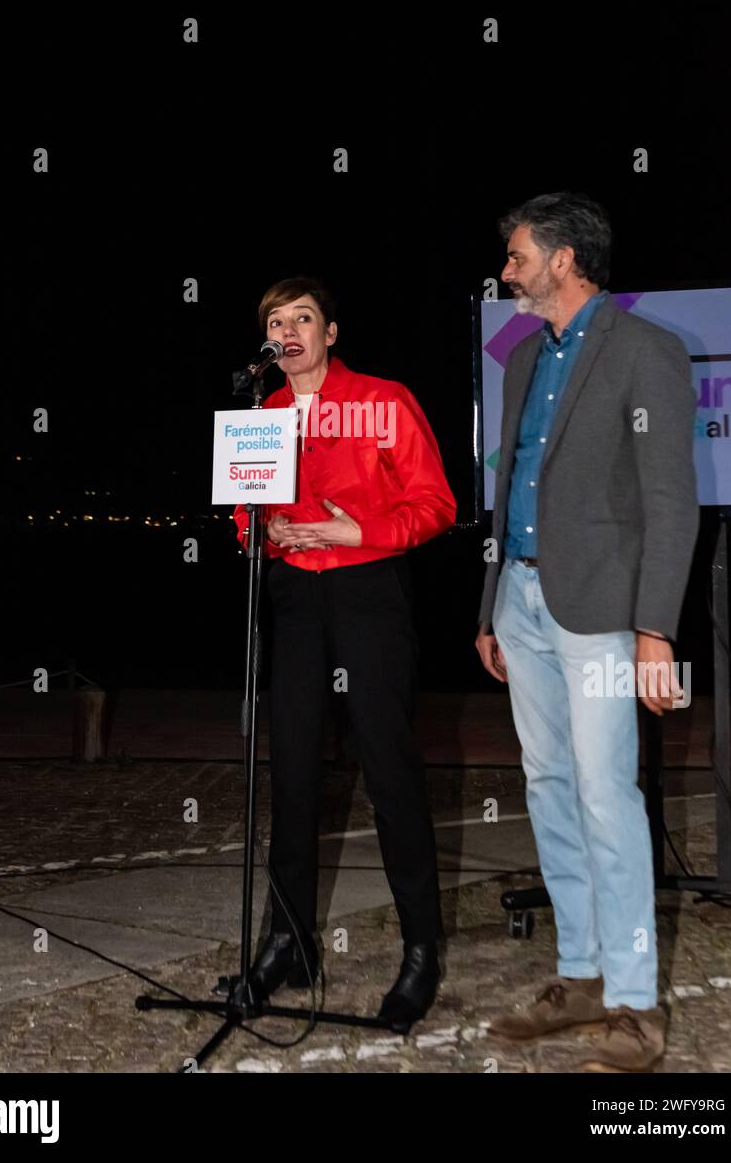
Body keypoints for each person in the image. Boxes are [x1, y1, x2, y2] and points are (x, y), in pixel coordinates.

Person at [475, 192, 698, 1071]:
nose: (507, 271)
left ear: (564, 260)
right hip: (521, 606)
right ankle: (579, 976)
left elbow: (668, 499)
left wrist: (654, 631)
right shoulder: (524, 356)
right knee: (548, 785)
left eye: (518, 256)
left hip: (605, 615)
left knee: (608, 797)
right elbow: (512, 485)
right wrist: (489, 604)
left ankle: (636, 1003)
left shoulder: (646, 351)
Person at [233, 275, 456, 1030]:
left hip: (367, 593)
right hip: (293, 601)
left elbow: (436, 506)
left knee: (389, 769)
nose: (288, 330)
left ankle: (421, 950)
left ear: (330, 334)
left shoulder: (384, 402)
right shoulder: (259, 411)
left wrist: (351, 531)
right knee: (290, 770)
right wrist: (262, 534)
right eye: (275, 320)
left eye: (303, 318)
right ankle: (286, 944)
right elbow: (244, 512)